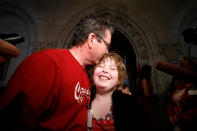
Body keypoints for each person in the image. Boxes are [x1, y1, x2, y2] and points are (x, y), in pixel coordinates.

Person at [0, 15, 114, 130]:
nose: (107, 51)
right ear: (92, 39)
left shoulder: (85, 73)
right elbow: (14, 119)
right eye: (107, 45)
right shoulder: (47, 63)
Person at [89, 52, 152, 131]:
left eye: (112, 68)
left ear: (119, 79)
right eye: (101, 66)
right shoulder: (82, 100)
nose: (105, 70)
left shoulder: (131, 106)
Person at [167, 56, 197, 131]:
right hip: (175, 125)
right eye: (181, 65)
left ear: (191, 68)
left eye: (183, 66)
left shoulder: (195, 85)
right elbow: (172, 102)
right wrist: (170, 115)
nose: (180, 68)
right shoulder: (180, 83)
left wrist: (178, 119)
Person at [135, 64, 159, 131]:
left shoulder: (141, 80)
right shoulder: (144, 80)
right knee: (151, 121)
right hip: (147, 103)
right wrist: (154, 95)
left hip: (146, 103)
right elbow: (146, 94)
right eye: (150, 71)